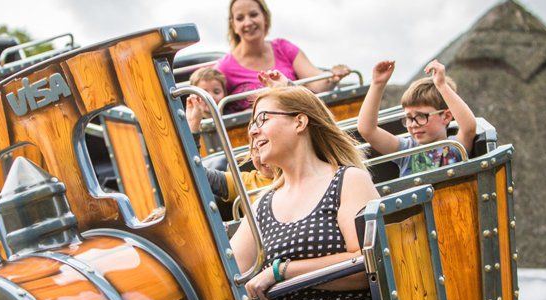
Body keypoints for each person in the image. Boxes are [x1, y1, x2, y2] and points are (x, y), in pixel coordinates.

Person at [230, 86, 382, 300]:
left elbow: (366, 265)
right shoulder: (263, 203)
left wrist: (280, 272)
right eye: (252, 124)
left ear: (299, 122)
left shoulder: (348, 180)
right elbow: (229, 274)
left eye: (262, 119)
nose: (252, 131)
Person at [218, 0, 352, 112]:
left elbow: (316, 83)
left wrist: (333, 76)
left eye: (253, 15)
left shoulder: (283, 48)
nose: (248, 22)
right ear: (233, 25)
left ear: (265, 18)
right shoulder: (224, 68)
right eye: (240, 18)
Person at [357, 59, 477, 177]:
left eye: (421, 116)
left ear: (446, 117)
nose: (413, 124)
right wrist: (377, 84)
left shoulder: (455, 148)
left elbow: (469, 127)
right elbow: (367, 130)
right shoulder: (407, 150)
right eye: (409, 118)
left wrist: (442, 85)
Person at [184, 67, 276, 201]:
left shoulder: (306, 175)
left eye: (265, 144)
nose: (262, 156)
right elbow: (195, 174)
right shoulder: (246, 182)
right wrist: (193, 127)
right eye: (255, 149)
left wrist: (285, 88)